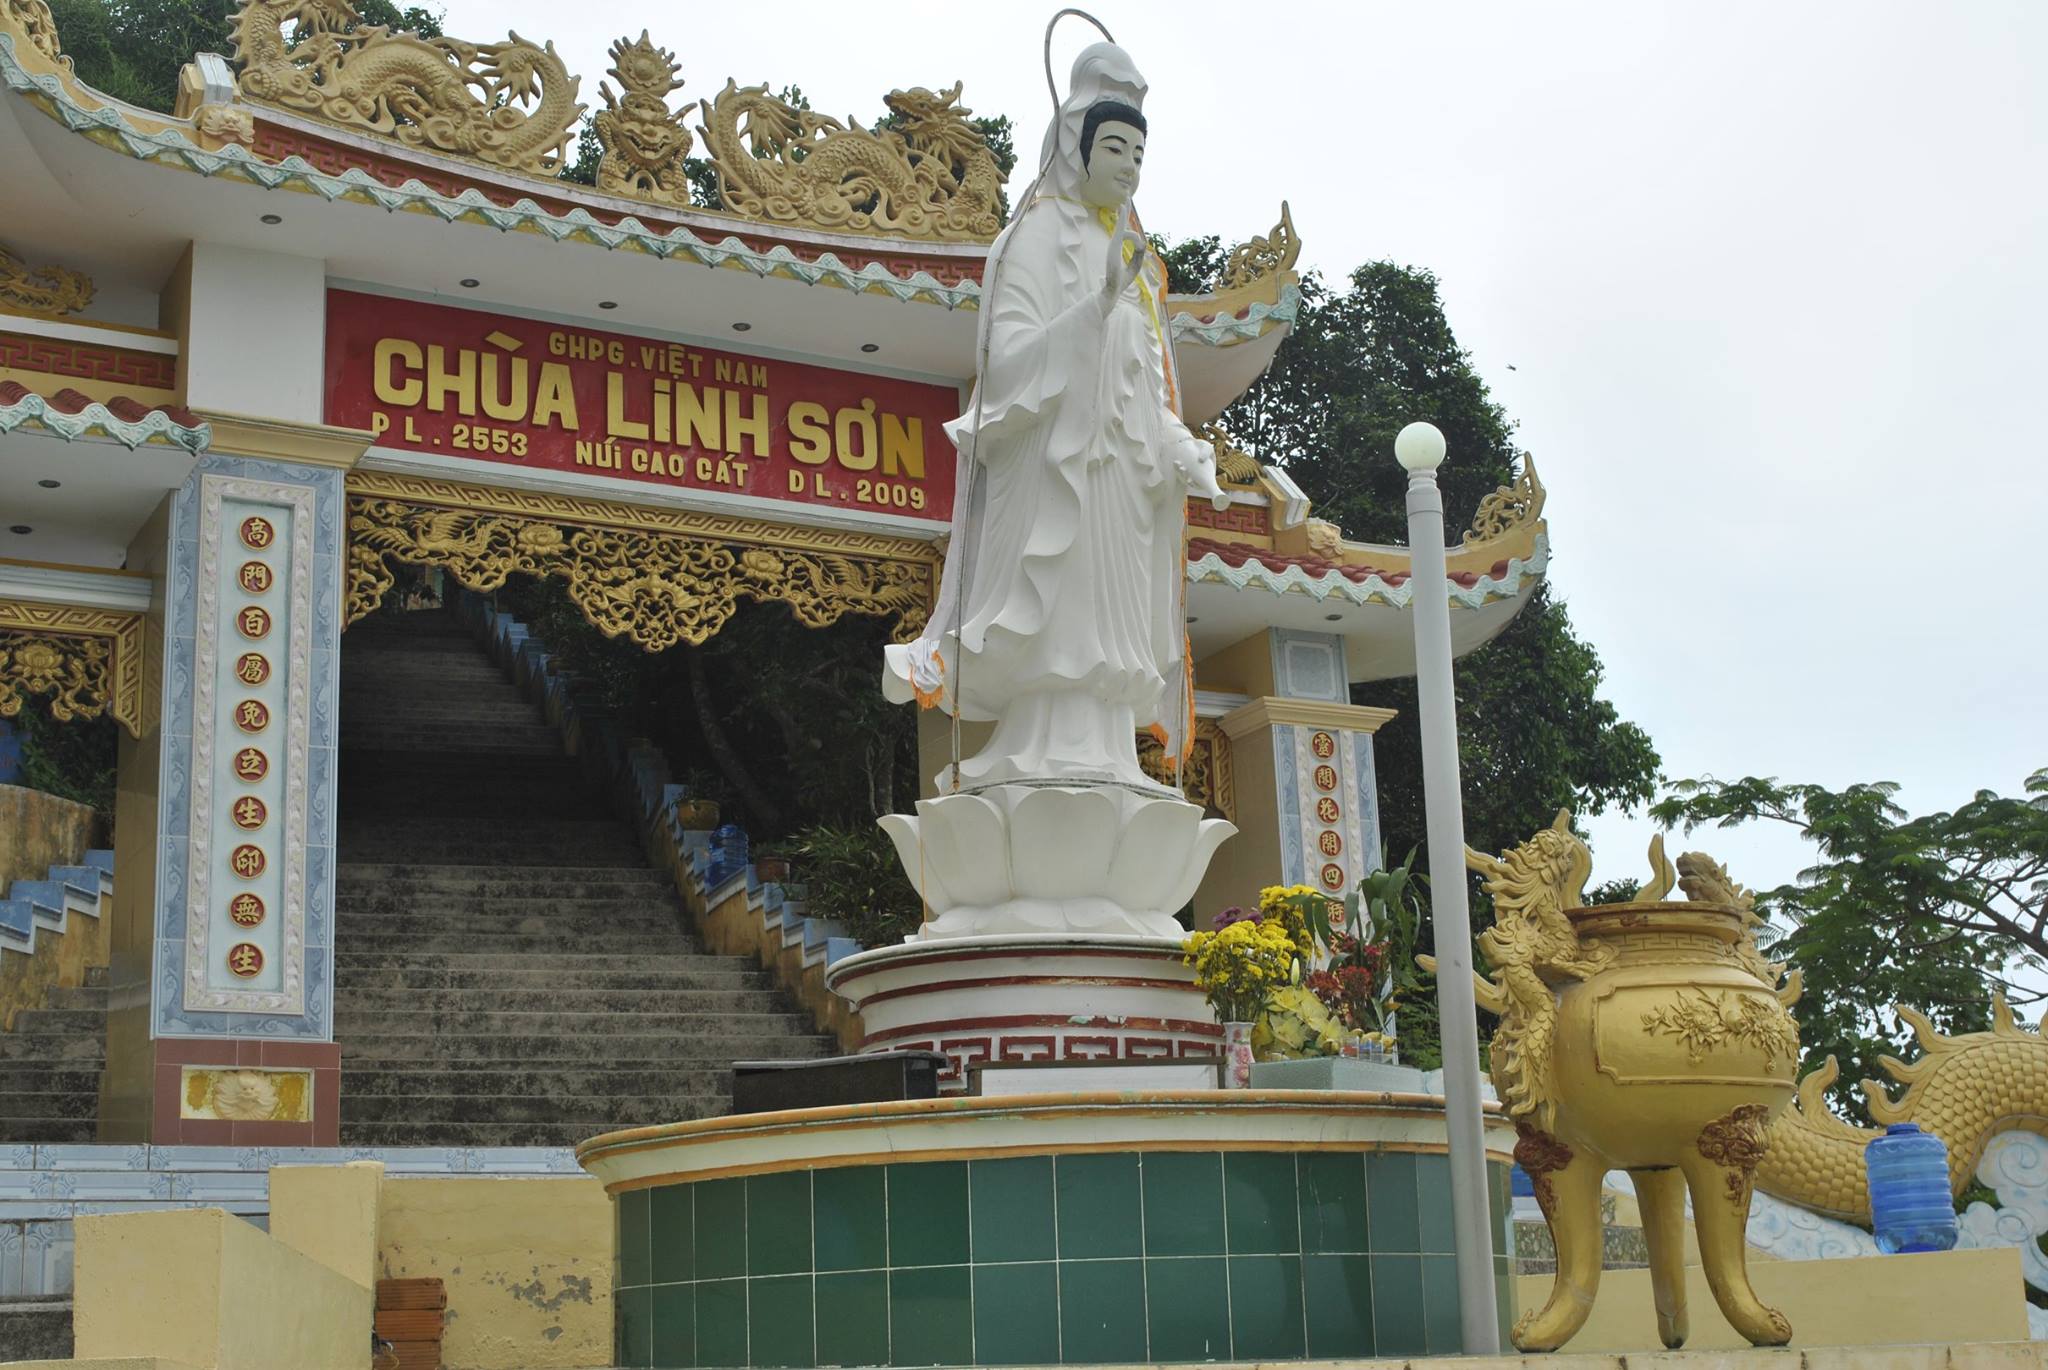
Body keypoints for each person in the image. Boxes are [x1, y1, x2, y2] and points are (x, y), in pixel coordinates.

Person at [884, 42, 1226, 791]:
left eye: (1140, 153)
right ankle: (1039, 743)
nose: (1129, 167)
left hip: (1121, 478)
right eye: (1115, 148)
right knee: (1057, 608)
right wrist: (1093, 306)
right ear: (1077, 146)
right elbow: (1007, 363)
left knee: (1113, 622)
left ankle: (1107, 747)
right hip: (1056, 468)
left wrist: (1183, 449)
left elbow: (1148, 393)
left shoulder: (1138, 264)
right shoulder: (1033, 238)